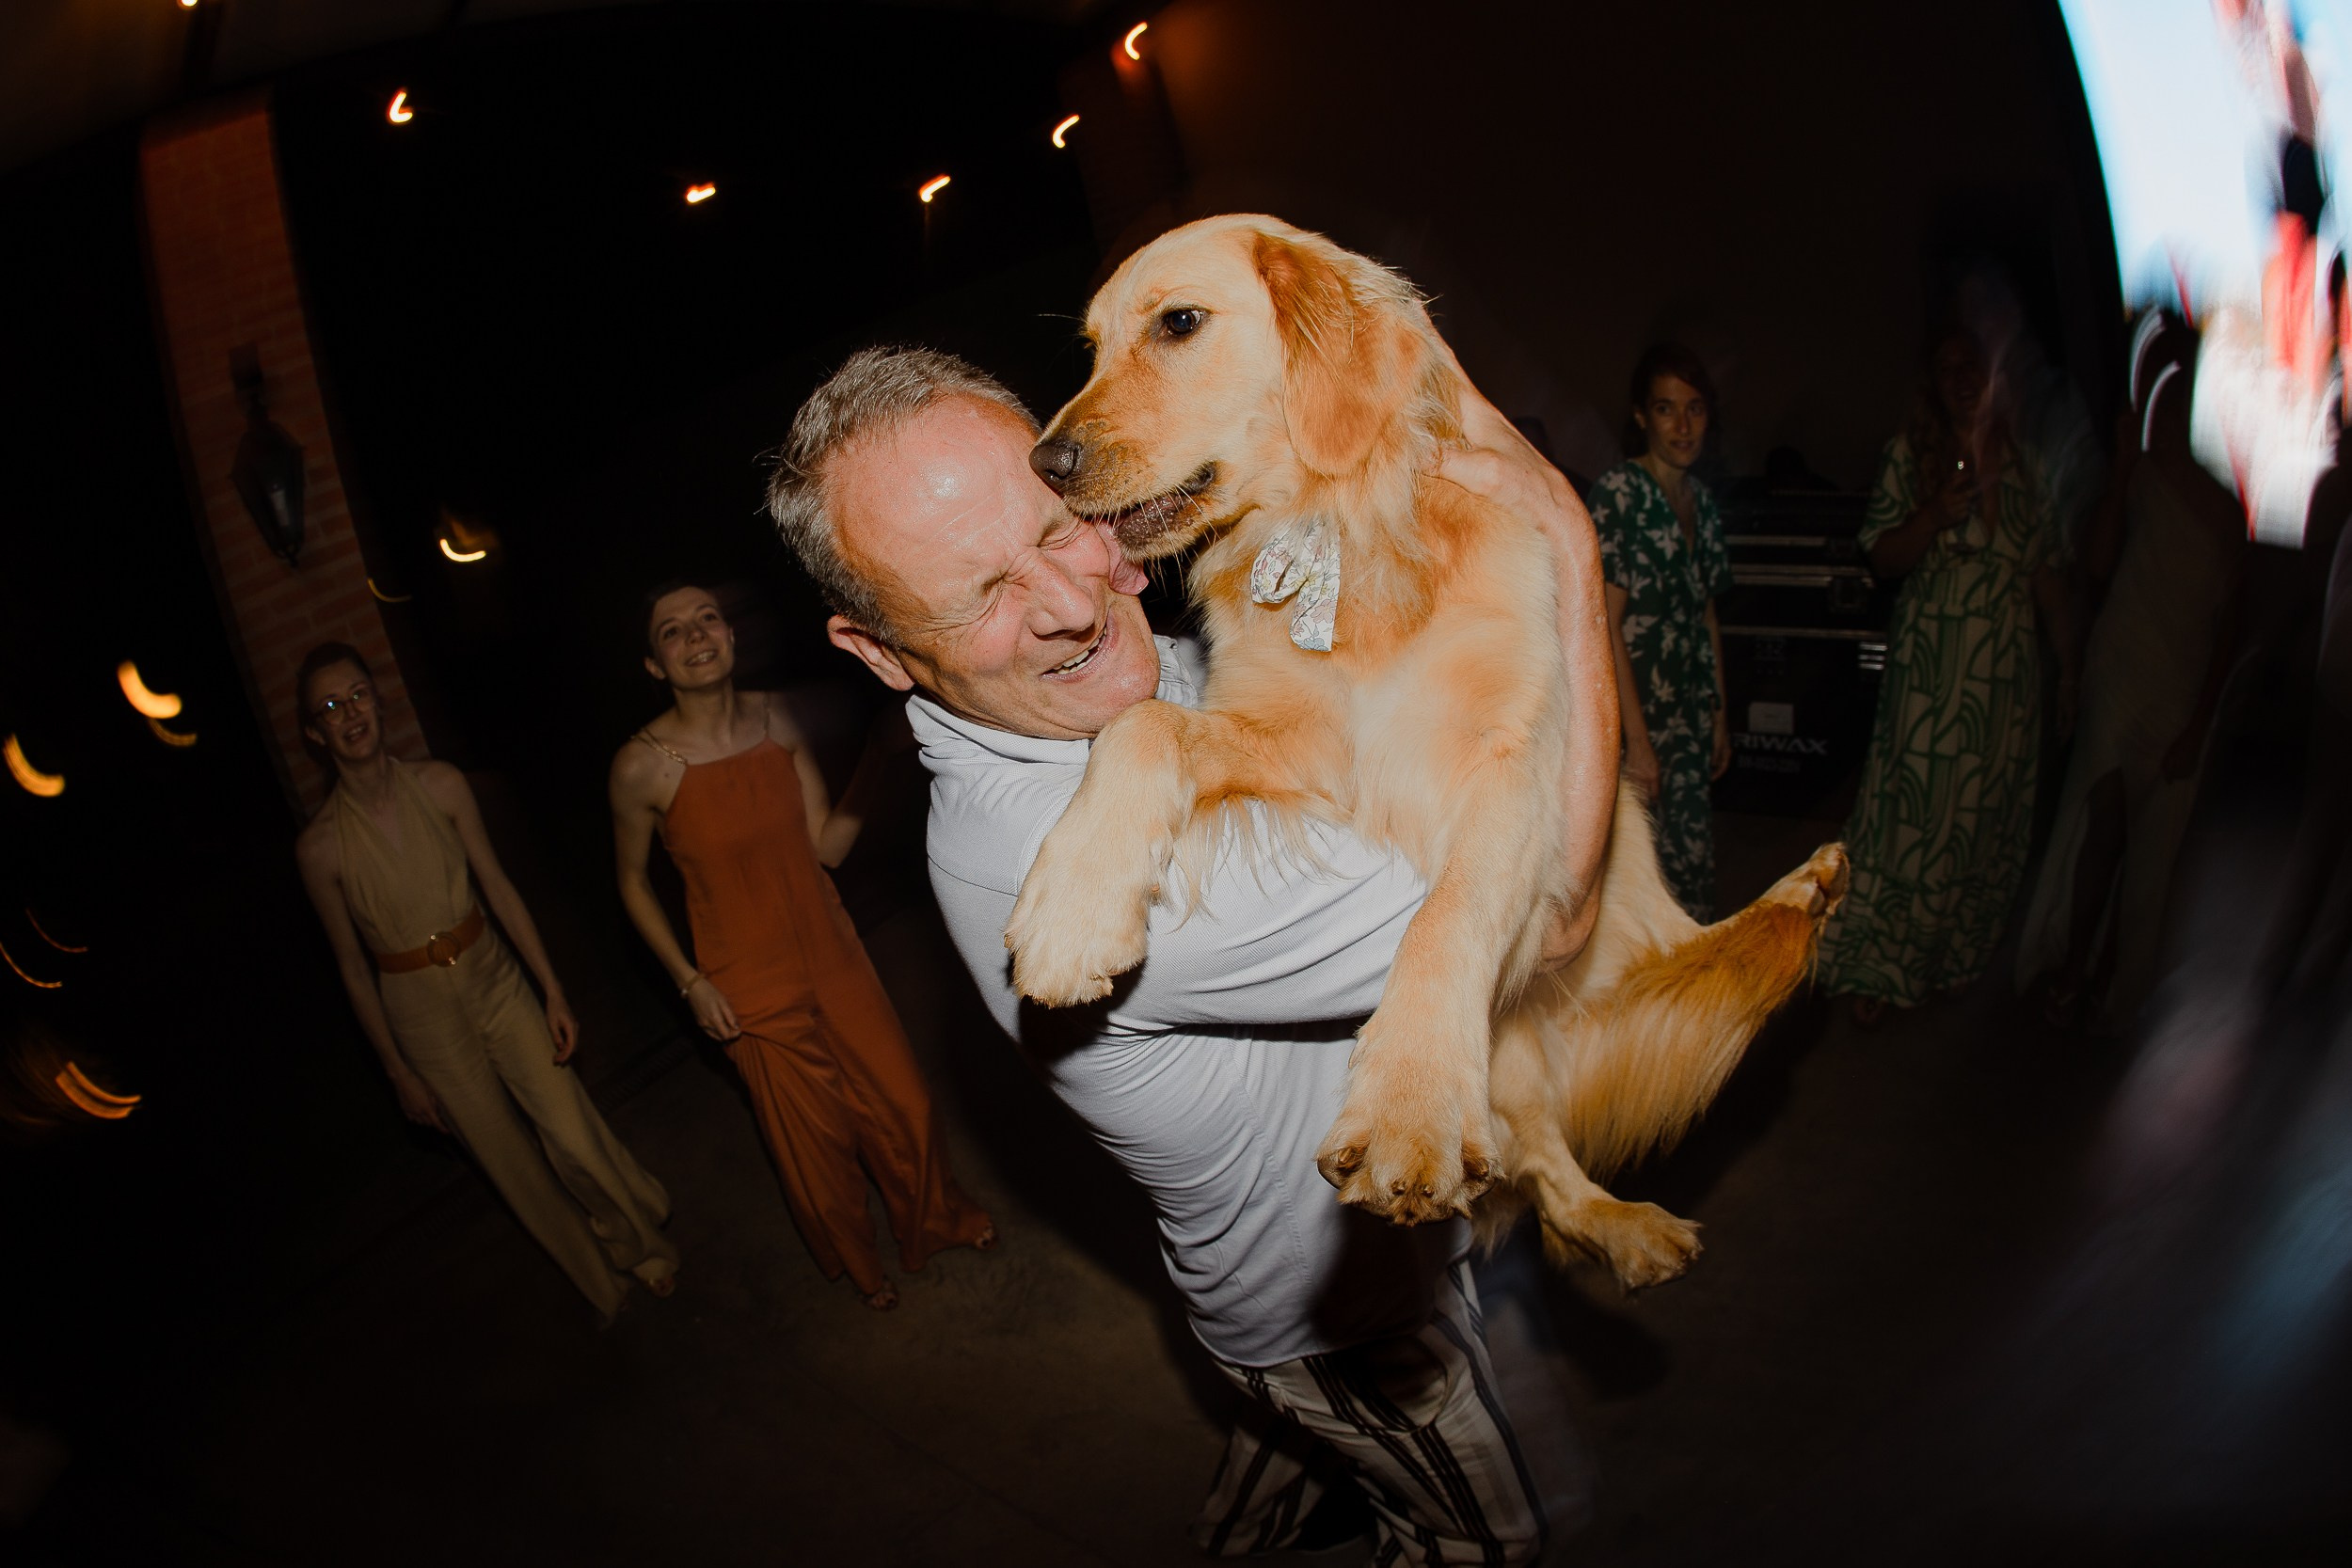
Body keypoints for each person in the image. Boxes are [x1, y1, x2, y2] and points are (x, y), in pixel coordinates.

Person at [768, 344, 1616, 1565]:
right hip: (1351, 1311)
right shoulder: (1089, 867)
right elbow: (1552, 907)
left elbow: (1280, 667)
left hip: (1275, 1288)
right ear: (881, 652)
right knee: (1486, 1536)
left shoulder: (1100, 695)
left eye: (1059, 527)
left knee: (1285, 1442)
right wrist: (1567, 551)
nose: (1073, 605)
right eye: (980, 595)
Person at [609, 584, 993, 1311]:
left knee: (905, 1103)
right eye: (672, 631)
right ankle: (862, 1267)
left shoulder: (777, 718)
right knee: (817, 1148)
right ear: (655, 665)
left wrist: (877, 757)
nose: (696, 635)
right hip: (745, 983)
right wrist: (690, 981)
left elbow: (828, 847)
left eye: (707, 618)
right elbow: (630, 883)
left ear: (730, 636)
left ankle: (934, 1220)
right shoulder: (641, 766)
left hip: (831, 949)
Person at [292, 643, 677, 1322]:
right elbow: (351, 967)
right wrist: (397, 1072)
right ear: (314, 734)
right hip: (420, 1017)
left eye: (357, 695)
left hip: (494, 978)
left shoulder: (441, 784)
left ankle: (639, 1241)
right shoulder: (319, 849)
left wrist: (551, 989)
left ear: (378, 702)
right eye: (330, 706)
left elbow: (498, 887)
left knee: (571, 1131)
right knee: (510, 1165)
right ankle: (600, 1283)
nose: (349, 713)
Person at [1817, 324, 2078, 1025]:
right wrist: (1932, 515)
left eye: (1973, 365)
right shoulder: (1911, 455)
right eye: (1946, 367)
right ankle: (1879, 962)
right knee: (1913, 818)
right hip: (1933, 675)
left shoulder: (2027, 465)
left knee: (1985, 820)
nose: (1961, 377)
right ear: (1932, 384)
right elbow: (1882, 558)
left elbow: (2049, 581)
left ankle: (1951, 956)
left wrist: (2069, 672)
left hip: (2006, 679)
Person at [2015, 319, 2247, 1029]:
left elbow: (2230, 629)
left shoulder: (2224, 506)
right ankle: (2070, 965)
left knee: (2152, 848)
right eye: (2159, 386)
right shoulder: (2138, 477)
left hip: (2177, 687)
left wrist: (2200, 724)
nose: (2168, 401)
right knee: (2103, 822)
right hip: (2121, 671)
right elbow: (2097, 564)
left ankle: (2110, 976)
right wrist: (2120, 472)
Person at [1588, 342, 1734, 918]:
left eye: (1694, 408)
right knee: (1637, 885)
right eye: (1666, 408)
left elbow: (1706, 615)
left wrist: (1719, 714)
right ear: (1642, 416)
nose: (1683, 425)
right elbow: (1604, 625)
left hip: (1690, 716)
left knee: (1691, 871)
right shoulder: (1620, 494)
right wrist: (1640, 746)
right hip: (1638, 719)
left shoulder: (1703, 503)